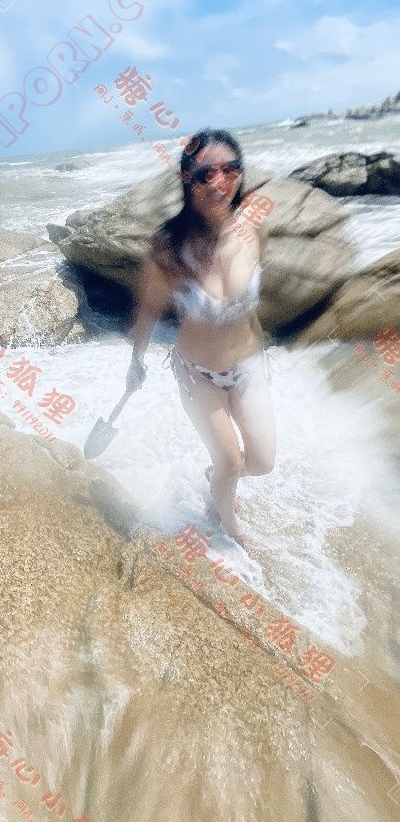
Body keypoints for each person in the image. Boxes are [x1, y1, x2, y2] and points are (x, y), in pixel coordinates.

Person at [126, 128, 276, 548]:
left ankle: (219, 478)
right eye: (205, 174)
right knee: (230, 461)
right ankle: (228, 530)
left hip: (247, 367)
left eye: (230, 170)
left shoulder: (251, 231)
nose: (218, 182)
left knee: (262, 462)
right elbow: (148, 310)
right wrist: (136, 362)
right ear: (186, 179)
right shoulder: (168, 246)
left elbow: (247, 305)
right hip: (198, 374)